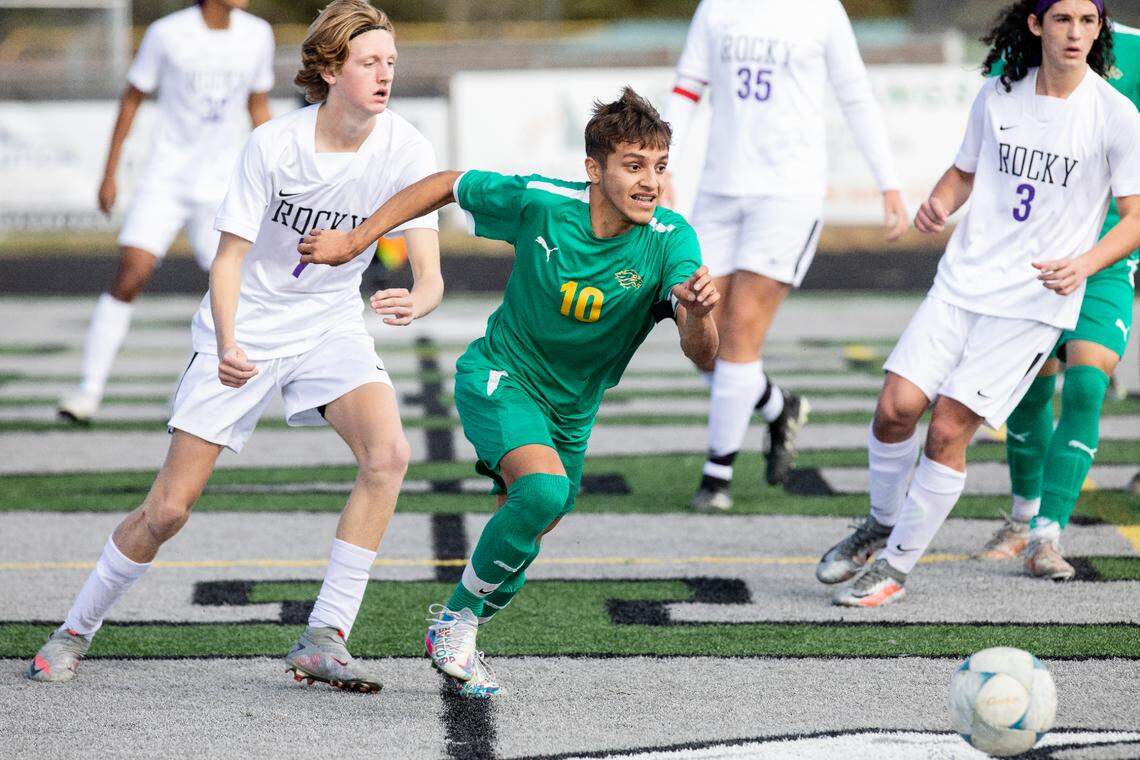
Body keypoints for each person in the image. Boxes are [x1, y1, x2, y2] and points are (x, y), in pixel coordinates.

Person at [28, 0, 443, 692]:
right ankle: (72, 631)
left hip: (330, 323)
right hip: (246, 325)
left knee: (389, 453)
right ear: (331, 68)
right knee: (168, 510)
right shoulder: (274, 145)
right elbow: (227, 262)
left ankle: (326, 635)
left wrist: (416, 297)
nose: (385, 74)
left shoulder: (408, 146)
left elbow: (429, 272)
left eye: (391, 61)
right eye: (370, 61)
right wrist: (226, 342)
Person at [297, 87, 720, 697]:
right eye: (633, 165)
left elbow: (702, 352)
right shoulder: (545, 203)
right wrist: (357, 240)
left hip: (572, 412)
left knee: (535, 518)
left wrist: (700, 311)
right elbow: (445, 183)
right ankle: (455, 624)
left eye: (658, 166)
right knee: (544, 491)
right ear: (594, 170)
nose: (650, 181)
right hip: (499, 376)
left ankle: (462, 618)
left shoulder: (671, 240)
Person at [815, 0, 1140, 607]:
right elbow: (963, 172)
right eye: (1063, 19)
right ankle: (880, 524)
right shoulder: (999, 93)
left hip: (1032, 305)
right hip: (962, 283)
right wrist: (939, 203)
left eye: (1088, 21)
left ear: (1099, 29)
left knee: (946, 431)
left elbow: (1135, 217)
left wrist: (1084, 265)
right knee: (894, 408)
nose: (1076, 34)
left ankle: (895, 567)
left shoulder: (1115, 115)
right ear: (1037, 24)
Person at [660, 0, 909, 511]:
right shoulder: (716, 8)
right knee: (700, 333)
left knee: (741, 333)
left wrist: (888, 183)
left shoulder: (821, 12)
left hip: (788, 195)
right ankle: (778, 407)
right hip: (718, 192)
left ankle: (716, 477)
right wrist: (663, 167)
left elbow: (855, 96)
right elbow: (686, 91)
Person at [57, 0, 275, 424]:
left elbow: (259, 108)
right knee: (131, 273)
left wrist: (275, 177)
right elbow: (131, 100)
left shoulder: (258, 34)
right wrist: (110, 172)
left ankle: (187, 390)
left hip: (222, 185)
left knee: (232, 289)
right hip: (165, 178)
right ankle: (88, 391)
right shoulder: (167, 32)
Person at [976, 19, 1140, 580]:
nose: (1074, 30)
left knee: (1089, 381)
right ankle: (1023, 517)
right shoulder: (1019, 56)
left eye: (1086, 18)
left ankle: (1048, 534)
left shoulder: (1133, 51)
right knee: (1030, 385)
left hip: (1106, 255)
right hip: (1033, 258)